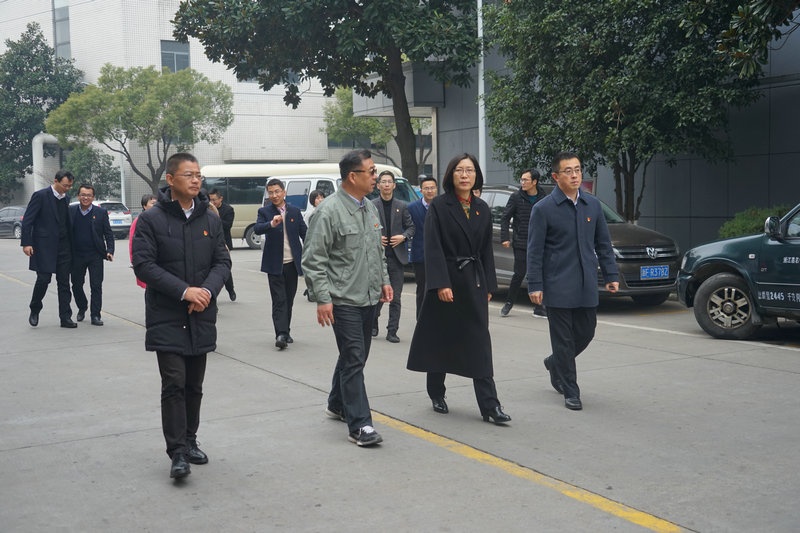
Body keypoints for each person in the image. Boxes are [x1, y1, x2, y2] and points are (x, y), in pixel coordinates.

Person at [132, 152, 231, 479]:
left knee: (194, 385)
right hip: (167, 314)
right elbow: (144, 265)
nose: (196, 180)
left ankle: (190, 440)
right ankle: (176, 452)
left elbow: (222, 262)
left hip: (201, 314)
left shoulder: (210, 219)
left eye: (198, 175)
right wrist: (184, 291)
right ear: (171, 180)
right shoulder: (151, 220)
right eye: (189, 175)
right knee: (174, 383)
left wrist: (206, 292)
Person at [407, 153, 511, 425]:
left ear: (476, 175)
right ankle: (436, 392)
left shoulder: (482, 208)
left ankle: (490, 405)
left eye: (470, 170)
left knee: (479, 343)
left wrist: (489, 284)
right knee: (441, 340)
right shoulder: (440, 206)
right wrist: (441, 283)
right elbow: (433, 247)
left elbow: (485, 250)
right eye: (460, 171)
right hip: (447, 282)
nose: (465, 175)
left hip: (473, 282)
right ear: (451, 175)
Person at [301, 149, 392, 447]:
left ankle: (337, 403)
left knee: (356, 356)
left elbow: (377, 251)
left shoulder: (370, 209)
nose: (376, 177)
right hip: (342, 300)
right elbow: (313, 259)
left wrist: (384, 281)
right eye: (371, 171)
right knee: (354, 357)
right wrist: (322, 298)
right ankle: (361, 425)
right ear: (353, 176)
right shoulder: (328, 212)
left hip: (369, 297)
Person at [527, 151, 619, 411]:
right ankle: (571, 391)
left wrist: (611, 275)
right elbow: (534, 251)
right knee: (564, 341)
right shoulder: (543, 209)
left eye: (578, 169)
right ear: (556, 177)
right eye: (568, 171)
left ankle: (555, 362)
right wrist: (535, 284)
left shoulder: (592, 205)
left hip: (586, 283)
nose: (575, 175)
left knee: (586, 332)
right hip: (557, 285)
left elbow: (603, 244)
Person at [254, 178, 308, 350]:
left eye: (277, 191)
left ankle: (286, 331)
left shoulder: (294, 211)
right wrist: (271, 223)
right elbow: (257, 228)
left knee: (288, 300)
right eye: (271, 192)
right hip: (274, 264)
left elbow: (305, 233)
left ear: (284, 192)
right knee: (279, 300)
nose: (274, 195)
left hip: (292, 263)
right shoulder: (264, 211)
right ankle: (281, 334)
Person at [21, 170, 77, 328]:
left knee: (64, 283)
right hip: (44, 247)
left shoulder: (66, 198)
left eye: (70, 186)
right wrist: (27, 243)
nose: (67, 189)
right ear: (56, 181)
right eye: (65, 185)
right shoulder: (40, 196)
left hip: (64, 247)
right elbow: (28, 221)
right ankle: (35, 308)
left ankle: (65, 317)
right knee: (43, 280)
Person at [371, 170, 415, 342]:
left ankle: (392, 331)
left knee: (395, 297)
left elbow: (411, 227)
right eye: (383, 181)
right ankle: (373, 323)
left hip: (397, 258)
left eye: (390, 181)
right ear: (378, 185)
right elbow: (365, 227)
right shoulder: (372, 205)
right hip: (378, 257)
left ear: (394, 185)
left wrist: (403, 237)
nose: (387, 185)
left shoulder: (402, 206)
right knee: (379, 296)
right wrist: (375, 237)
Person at [499, 169, 548, 318]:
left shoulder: (544, 198)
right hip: (521, 242)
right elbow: (505, 218)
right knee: (519, 273)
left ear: (534, 182)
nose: (522, 183)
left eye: (525, 180)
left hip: (539, 243)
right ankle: (509, 303)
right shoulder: (516, 197)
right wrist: (505, 237)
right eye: (521, 180)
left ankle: (539, 307)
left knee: (540, 274)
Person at [69, 184, 114, 326]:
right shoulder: (71, 211)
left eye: (89, 195)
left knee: (96, 286)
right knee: (76, 284)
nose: (85, 198)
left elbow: (108, 234)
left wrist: (110, 250)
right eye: (83, 195)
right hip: (76, 255)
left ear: (93, 197)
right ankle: (82, 306)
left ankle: (95, 315)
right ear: (78, 196)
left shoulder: (100, 212)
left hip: (95, 254)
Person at [407, 175, 438, 317]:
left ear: (436, 189)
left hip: (438, 256)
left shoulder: (441, 206)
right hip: (419, 255)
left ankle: (435, 318)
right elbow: (407, 228)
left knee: (438, 289)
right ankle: (420, 318)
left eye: (432, 188)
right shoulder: (412, 208)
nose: (430, 191)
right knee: (422, 289)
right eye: (426, 188)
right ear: (421, 190)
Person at [208, 189, 237, 301]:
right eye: (210, 200)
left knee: (224, 267)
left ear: (220, 199)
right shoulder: (206, 208)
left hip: (224, 242)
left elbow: (227, 225)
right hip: (209, 242)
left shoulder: (228, 210)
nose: (212, 202)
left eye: (214, 200)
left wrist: (216, 215)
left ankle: (230, 289)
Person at [129, 194, 157, 289]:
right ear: (144, 206)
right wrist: (134, 260)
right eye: (153, 203)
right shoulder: (139, 221)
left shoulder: (159, 219)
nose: (155, 206)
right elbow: (132, 243)